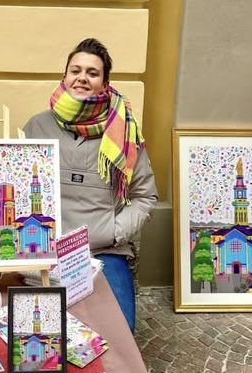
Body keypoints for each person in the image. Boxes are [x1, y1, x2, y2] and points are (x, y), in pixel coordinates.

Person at [23, 38, 158, 334]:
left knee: (120, 334)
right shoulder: (36, 127)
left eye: (92, 73)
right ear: (65, 77)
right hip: (46, 253)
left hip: (103, 252)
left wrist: (113, 231)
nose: (82, 77)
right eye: (76, 70)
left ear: (104, 84)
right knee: (40, 334)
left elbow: (145, 196)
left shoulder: (125, 132)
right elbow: (19, 186)